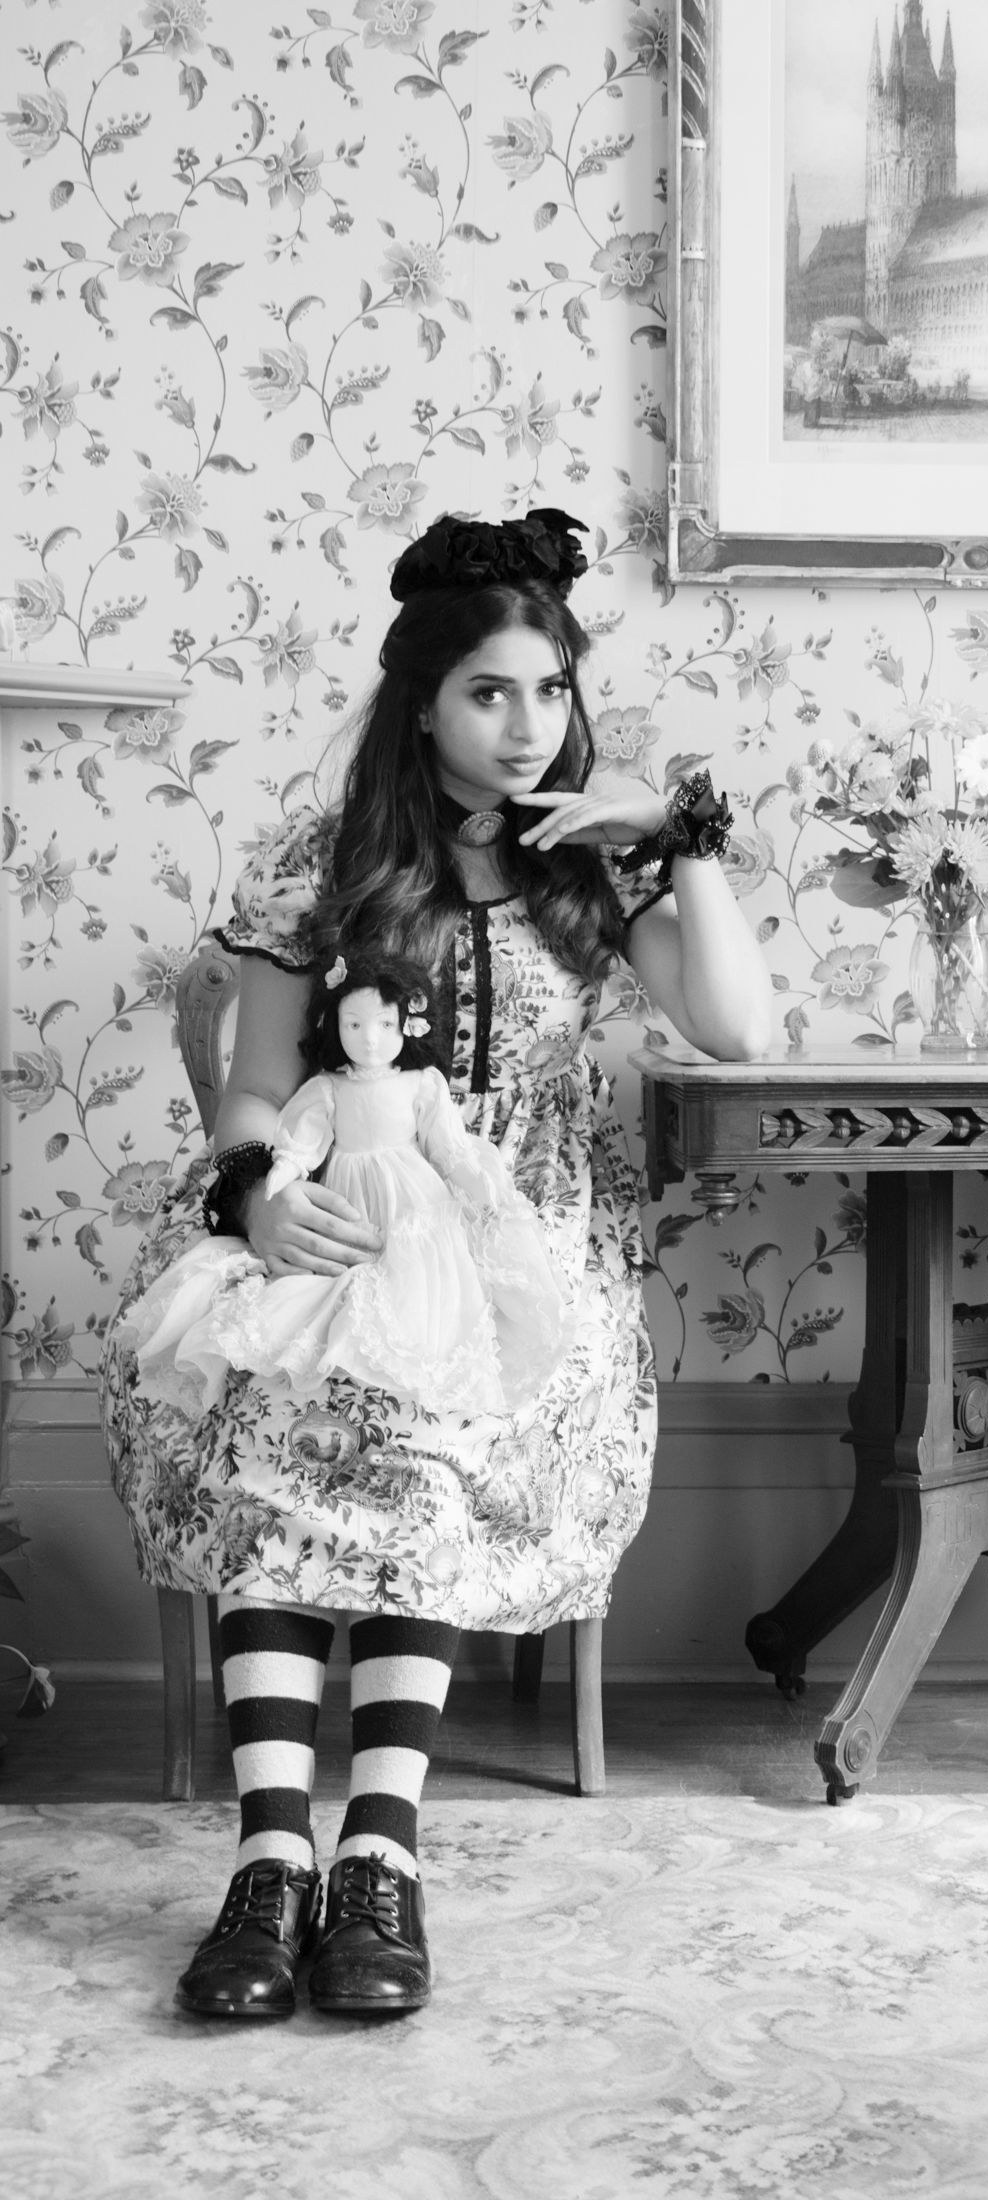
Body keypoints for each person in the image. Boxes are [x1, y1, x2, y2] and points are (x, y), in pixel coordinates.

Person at [100, 506, 773, 2021]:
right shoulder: (324, 862)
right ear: (421, 702)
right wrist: (255, 1201)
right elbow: (255, 1091)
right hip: (331, 1220)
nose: (527, 726)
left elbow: (738, 1029)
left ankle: (379, 1858)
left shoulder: (592, 868)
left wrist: (674, 836)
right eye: (488, 692)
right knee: (261, 1419)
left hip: (524, 1261)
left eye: (550, 690)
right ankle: (273, 1860)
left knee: (425, 1442)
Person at [113, 953, 569, 1424]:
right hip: (336, 1193)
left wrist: (482, 1185)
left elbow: (448, 1148)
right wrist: (268, 1186)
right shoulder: (329, 1089)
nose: (369, 1039)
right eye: (354, 1025)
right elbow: (296, 1133)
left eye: (383, 1025)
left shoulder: (421, 1085)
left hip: (456, 1189)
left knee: (437, 1314)